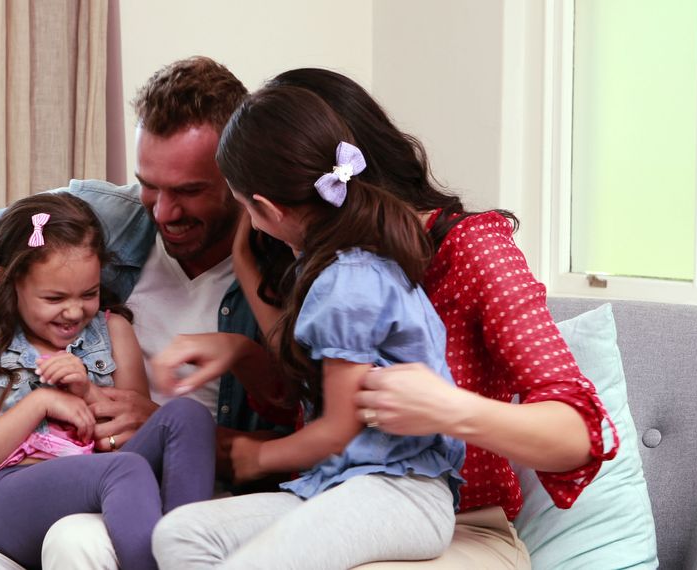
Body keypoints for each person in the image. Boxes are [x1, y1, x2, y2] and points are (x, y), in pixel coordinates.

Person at [153, 68, 618, 569]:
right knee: (181, 538)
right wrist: (243, 342)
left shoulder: (469, 249)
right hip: (333, 493)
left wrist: (448, 408)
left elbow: (582, 434)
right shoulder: (317, 257)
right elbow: (324, 410)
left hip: (460, 524)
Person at [0, 56, 292, 569]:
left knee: (179, 423)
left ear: (236, 178)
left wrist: (97, 398)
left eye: (188, 191)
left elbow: (304, 426)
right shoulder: (85, 226)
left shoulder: (282, 260)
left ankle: (184, 543)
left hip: (154, 474)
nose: (162, 212)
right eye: (150, 185)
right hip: (52, 484)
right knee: (107, 495)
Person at [150, 85, 467, 569]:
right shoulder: (327, 262)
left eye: (247, 211)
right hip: (341, 485)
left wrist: (259, 457)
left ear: (269, 209)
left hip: (402, 494)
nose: (251, 226)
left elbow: (338, 429)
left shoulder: (347, 282)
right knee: (180, 535)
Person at [0, 192, 214, 569]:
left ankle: (186, 551)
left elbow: (130, 434)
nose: (74, 311)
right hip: (8, 497)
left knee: (188, 416)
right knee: (125, 471)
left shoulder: (113, 331)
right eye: (54, 298)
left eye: (89, 293)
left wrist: (89, 393)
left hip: (100, 475)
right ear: (7, 282)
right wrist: (42, 402)